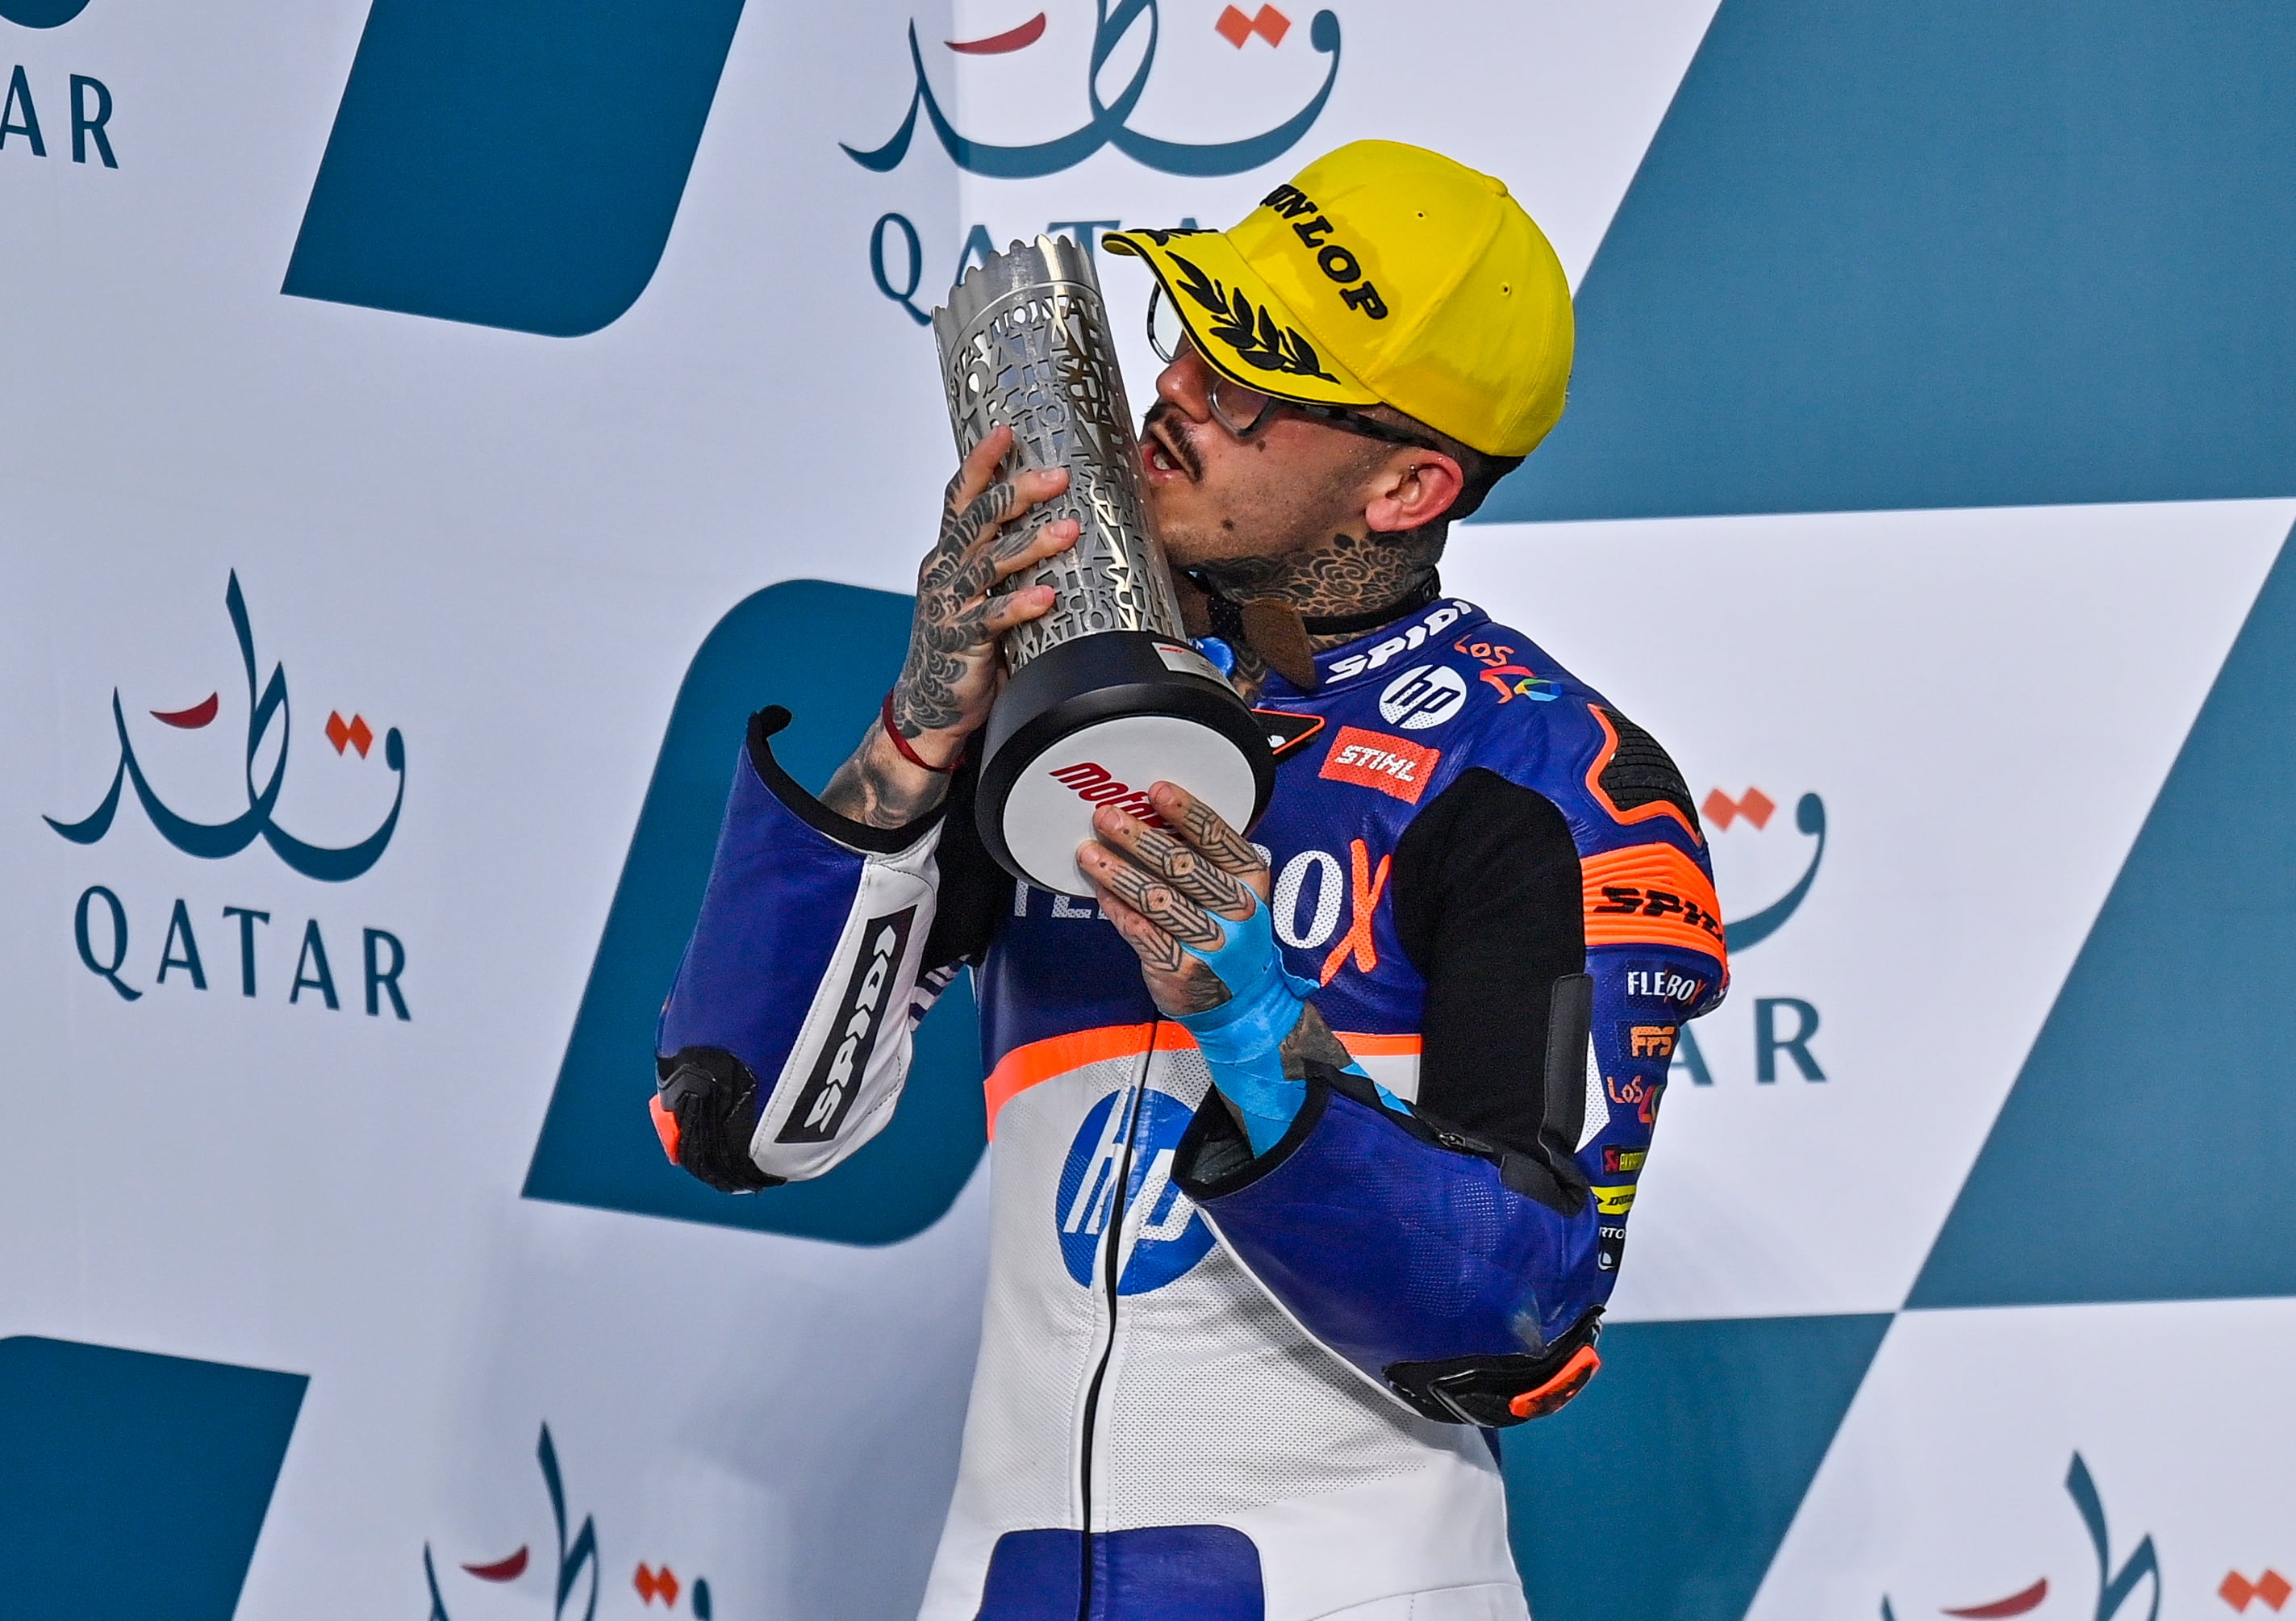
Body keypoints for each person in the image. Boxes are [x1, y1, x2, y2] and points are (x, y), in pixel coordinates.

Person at [649, 140, 1728, 1621]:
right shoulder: (1072, 702)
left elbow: (1518, 1326)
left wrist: (1254, 1023)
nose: (1175, 397)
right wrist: (913, 734)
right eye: (1190, 335)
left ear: (1408, 482)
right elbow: (739, 1122)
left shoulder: (1535, 774)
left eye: (1250, 381)